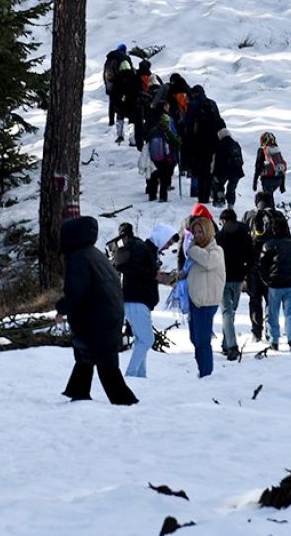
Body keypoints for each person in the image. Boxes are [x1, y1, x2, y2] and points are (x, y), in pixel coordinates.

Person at [55, 215, 139, 404]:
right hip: (109, 314)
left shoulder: (78, 258)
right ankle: (78, 391)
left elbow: (77, 291)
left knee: (105, 362)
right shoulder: (94, 254)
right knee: (88, 354)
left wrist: (62, 308)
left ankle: (125, 401)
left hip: (97, 317)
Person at [113, 221, 177, 378]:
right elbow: (132, 270)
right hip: (136, 299)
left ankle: (140, 375)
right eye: (168, 242)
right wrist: (153, 275)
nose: (168, 246)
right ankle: (131, 374)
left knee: (142, 339)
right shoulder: (143, 249)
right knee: (147, 339)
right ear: (162, 238)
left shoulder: (147, 250)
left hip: (138, 300)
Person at [182, 209, 226, 377]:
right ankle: (202, 369)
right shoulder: (197, 252)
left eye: (200, 232)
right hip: (195, 300)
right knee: (195, 338)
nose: (197, 235)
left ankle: (206, 373)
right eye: (194, 232)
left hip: (206, 301)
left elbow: (207, 262)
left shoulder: (215, 251)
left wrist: (191, 248)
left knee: (202, 340)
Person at [258, 210, 291, 353]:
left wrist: (266, 280)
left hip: (274, 284)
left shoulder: (268, 245)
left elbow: (261, 265)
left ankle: (274, 341)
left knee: (273, 314)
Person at [215, 207, 253, 360]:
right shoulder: (245, 234)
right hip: (238, 278)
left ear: (224, 220)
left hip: (222, 278)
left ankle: (230, 346)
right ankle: (228, 344)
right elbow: (251, 256)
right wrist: (245, 273)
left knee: (227, 312)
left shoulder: (219, 236)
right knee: (231, 312)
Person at [241, 191, 276, 341]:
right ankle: (271, 329)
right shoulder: (277, 216)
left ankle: (256, 331)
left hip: (252, 264)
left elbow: (241, 239)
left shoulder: (248, 216)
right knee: (271, 299)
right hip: (271, 265)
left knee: (254, 299)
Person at [140, 108, 181, 202]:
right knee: (164, 179)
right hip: (165, 159)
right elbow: (176, 143)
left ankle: (152, 195)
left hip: (153, 158)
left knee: (153, 177)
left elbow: (146, 138)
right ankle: (163, 197)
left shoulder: (153, 131)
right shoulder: (168, 132)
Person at [211, 127, 244, 209]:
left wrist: (214, 173)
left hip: (224, 171)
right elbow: (241, 160)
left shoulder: (220, 145)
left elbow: (217, 161)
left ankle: (221, 198)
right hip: (236, 171)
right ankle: (230, 206)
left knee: (218, 184)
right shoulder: (236, 144)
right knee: (231, 188)